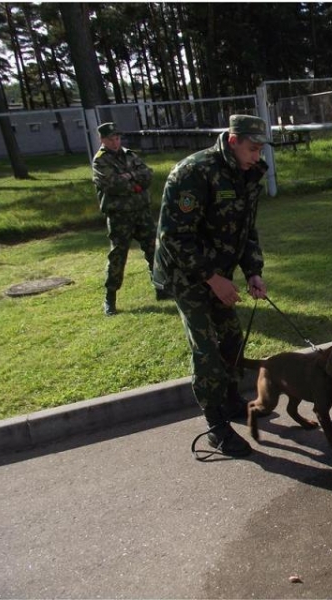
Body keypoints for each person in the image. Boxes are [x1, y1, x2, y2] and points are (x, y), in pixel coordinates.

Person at [153, 114, 270, 457]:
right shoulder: (194, 173)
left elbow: (247, 230)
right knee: (206, 351)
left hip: (217, 273)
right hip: (185, 275)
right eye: (252, 148)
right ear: (233, 142)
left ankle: (232, 401)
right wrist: (213, 278)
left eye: (261, 148)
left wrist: (252, 271)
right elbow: (174, 237)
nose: (257, 156)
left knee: (232, 337)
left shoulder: (247, 174)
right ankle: (216, 427)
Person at [92, 122, 167, 316]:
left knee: (153, 249)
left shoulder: (130, 155)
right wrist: (134, 182)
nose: (115, 142)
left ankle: (160, 287)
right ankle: (110, 298)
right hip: (120, 216)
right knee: (118, 255)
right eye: (110, 139)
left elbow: (148, 175)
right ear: (102, 140)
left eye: (117, 138)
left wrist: (130, 175)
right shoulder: (100, 161)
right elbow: (112, 185)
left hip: (141, 211)